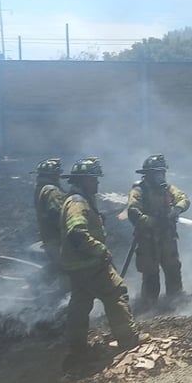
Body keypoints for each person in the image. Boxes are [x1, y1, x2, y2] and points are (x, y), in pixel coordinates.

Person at [59, 156, 144, 368]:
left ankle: (77, 349)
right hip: (89, 263)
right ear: (83, 180)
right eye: (93, 179)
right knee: (115, 293)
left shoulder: (78, 200)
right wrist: (100, 249)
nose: (97, 183)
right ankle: (128, 339)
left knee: (80, 304)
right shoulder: (77, 203)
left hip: (76, 265)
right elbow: (77, 233)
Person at [126, 154, 191, 310]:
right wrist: (152, 221)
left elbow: (184, 198)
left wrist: (176, 210)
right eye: (157, 173)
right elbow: (133, 212)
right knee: (150, 273)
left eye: (162, 172)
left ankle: (175, 302)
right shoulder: (139, 190)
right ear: (148, 174)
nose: (161, 176)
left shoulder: (167, 189)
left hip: (167, 237)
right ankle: (149, 307)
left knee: (173, 268)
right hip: (148, 239)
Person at [32, 158, 67, 295]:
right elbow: (59, 214)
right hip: (56, 238)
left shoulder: (40, 188)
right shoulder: (52, 191)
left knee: (60, 264)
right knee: (65, 265)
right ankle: (64, 294)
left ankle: (36, 281)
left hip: (48, 237)